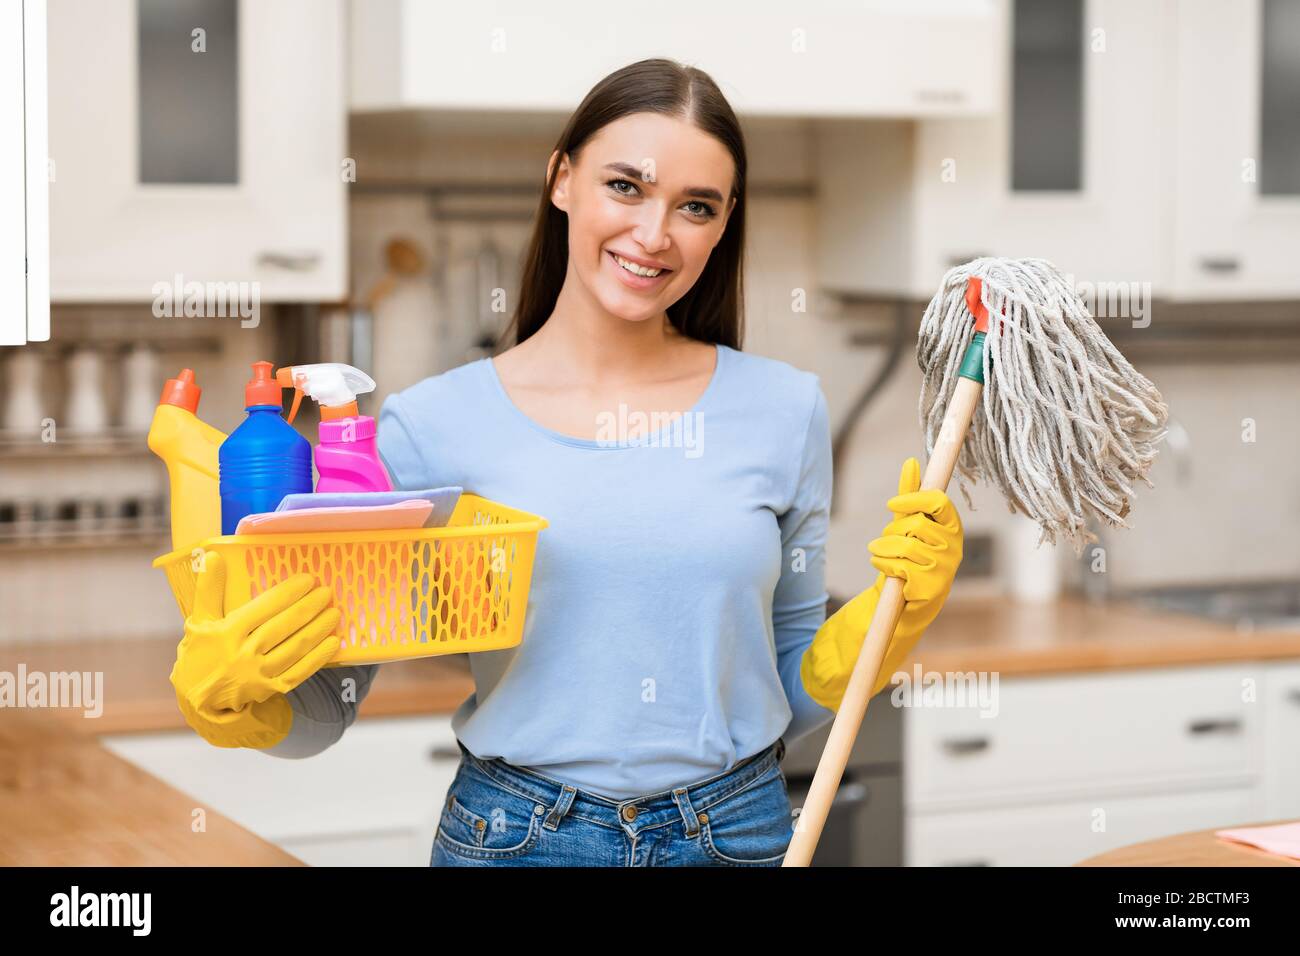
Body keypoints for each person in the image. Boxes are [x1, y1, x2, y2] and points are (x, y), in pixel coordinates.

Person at [169, 58, 963, 867]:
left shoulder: (784, 410)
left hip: (737, 834)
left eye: (695, 207)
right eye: (626, 186)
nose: (655, 235)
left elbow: (788, 680)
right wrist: (242, 703)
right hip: (516, 839)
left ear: (723, 226)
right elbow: (332, 704)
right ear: (561, 179)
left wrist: (886, 624)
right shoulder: (430, 426)